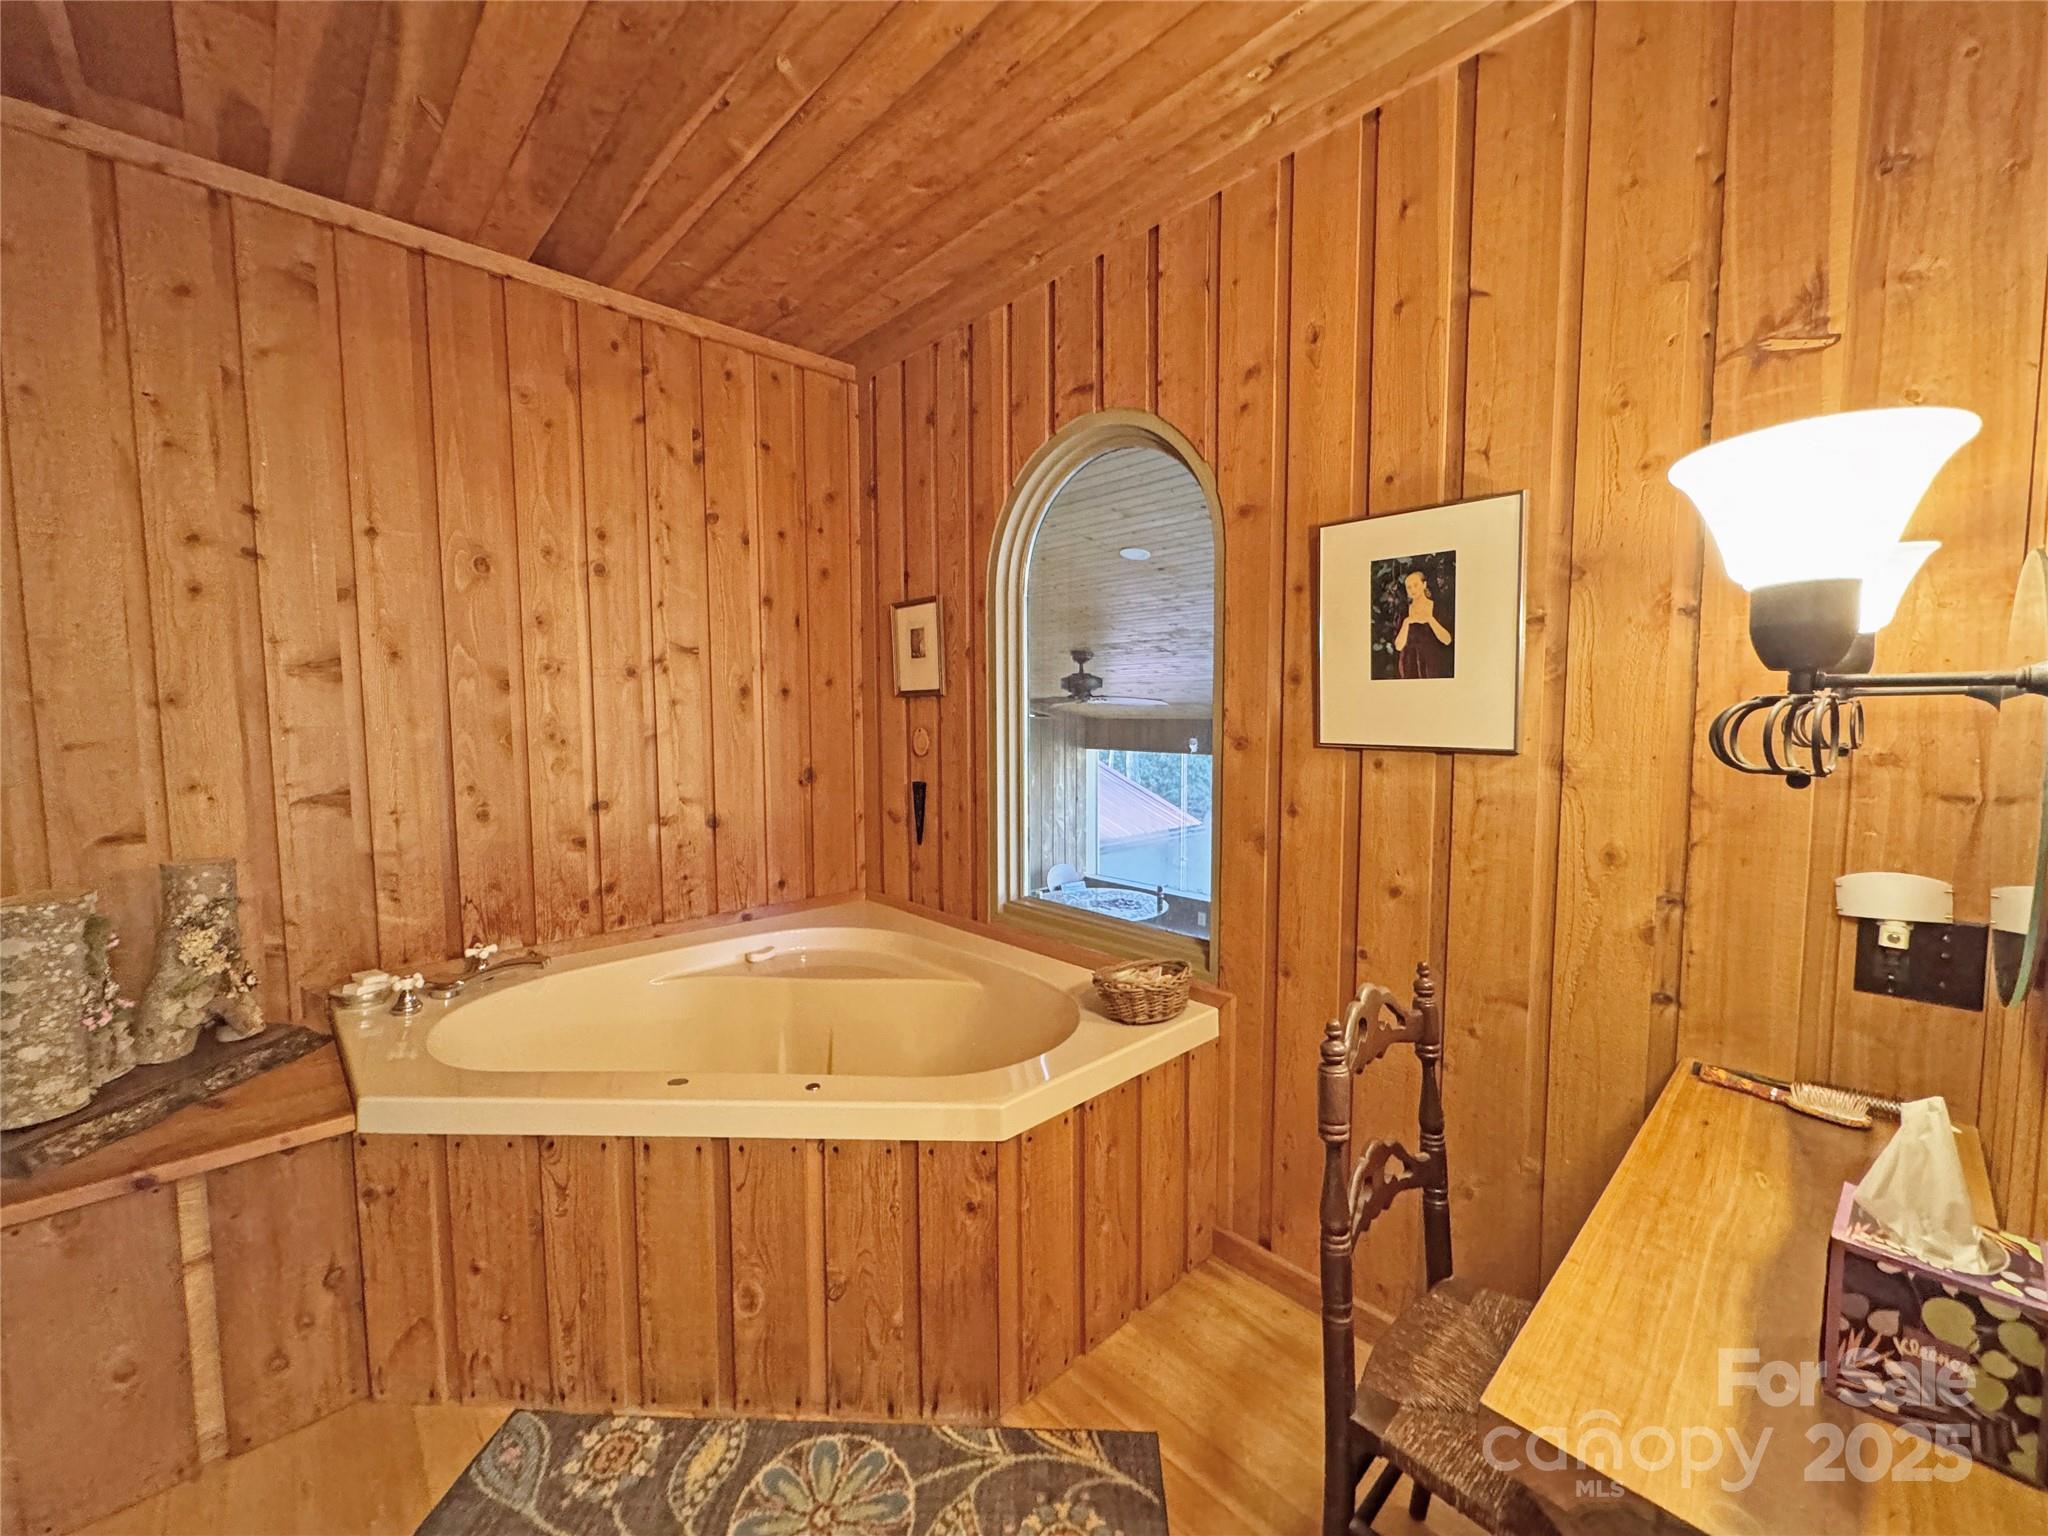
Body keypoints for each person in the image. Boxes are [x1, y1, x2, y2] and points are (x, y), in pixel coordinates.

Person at [1393, 568, 1453, 679]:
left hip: (1433, 664)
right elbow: (1398, 646)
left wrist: (1430, 619)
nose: (1412, 590)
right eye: (1409, 587)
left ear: (1424, 585)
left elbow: (1447, 640)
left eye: (1415, 585)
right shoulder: (1404, 612)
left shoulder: (1437, 608)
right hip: (1409, 665)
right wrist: (1407, 622)